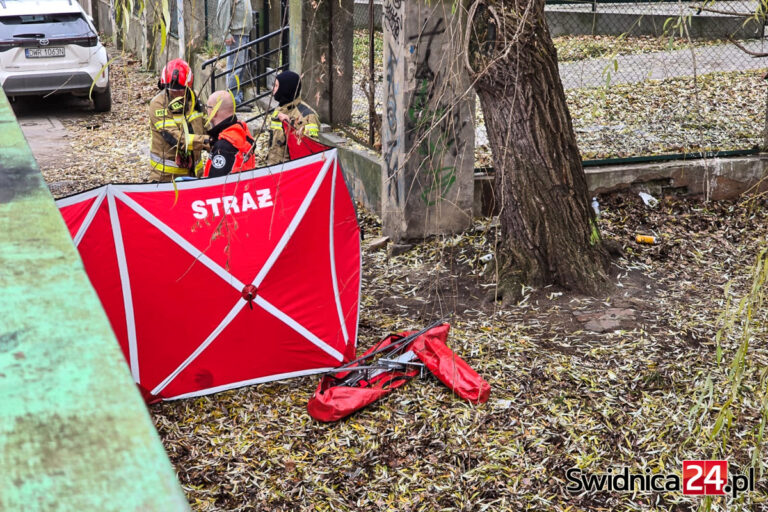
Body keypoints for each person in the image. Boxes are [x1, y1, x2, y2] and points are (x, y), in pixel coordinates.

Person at [148, 59, 209, 181]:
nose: (176, 94)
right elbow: (175, 138)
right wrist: (208, 141)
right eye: (172, 90)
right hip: (166, 177)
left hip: (194, 174)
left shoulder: (194, 98)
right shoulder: (158, 104)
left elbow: (206, 125)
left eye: (181, 90)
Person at [266, 70, 320, 166]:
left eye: (276, 86)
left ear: (286, 89)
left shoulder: (308, 115)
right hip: (274, 166)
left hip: (291, 169)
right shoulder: (279, 109)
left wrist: (290, 125)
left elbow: (309, 149)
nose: (273, 89)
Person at [203, 90, 256, 178]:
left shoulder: (223, 147)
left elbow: (215, 184)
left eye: (207, 107)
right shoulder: (240, 130)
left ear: (214, 112)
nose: (206, 111)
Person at [216, 0, 253, 112]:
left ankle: (237, 98)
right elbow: (223, 13)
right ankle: (233, 101)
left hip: (243, 34)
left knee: (240, 68)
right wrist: (226, 33)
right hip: (236, 35)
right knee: (235, 69)